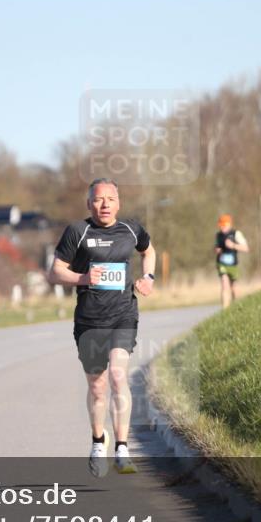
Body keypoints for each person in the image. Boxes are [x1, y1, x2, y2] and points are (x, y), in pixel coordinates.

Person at [49, 178, 156, 477]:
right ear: (89, 203)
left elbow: (149, 251)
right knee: (97, 387)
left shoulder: (131, 230)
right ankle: (99, 441)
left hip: (123, 314)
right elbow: (55, 272)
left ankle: (122, 448)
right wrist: (85, 278)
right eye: (98, 199)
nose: (105, 204)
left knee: (119, 375)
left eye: (110, 199)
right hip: (89, 319)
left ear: (119, 203)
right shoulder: (77, 232)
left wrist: (149, 278)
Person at [215, 214, 249, 309]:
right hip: (221, 264)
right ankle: (225, 309)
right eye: (220, 225)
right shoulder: (218, 235)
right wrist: (217, 250)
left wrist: (233, 245)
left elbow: (246, 248)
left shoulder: (236, 234)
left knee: (234, 287)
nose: (222, 227)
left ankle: (236, 307)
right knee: (224, 283)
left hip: (233, 265)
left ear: (229, 224)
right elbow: (216, 247)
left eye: (224, 225)